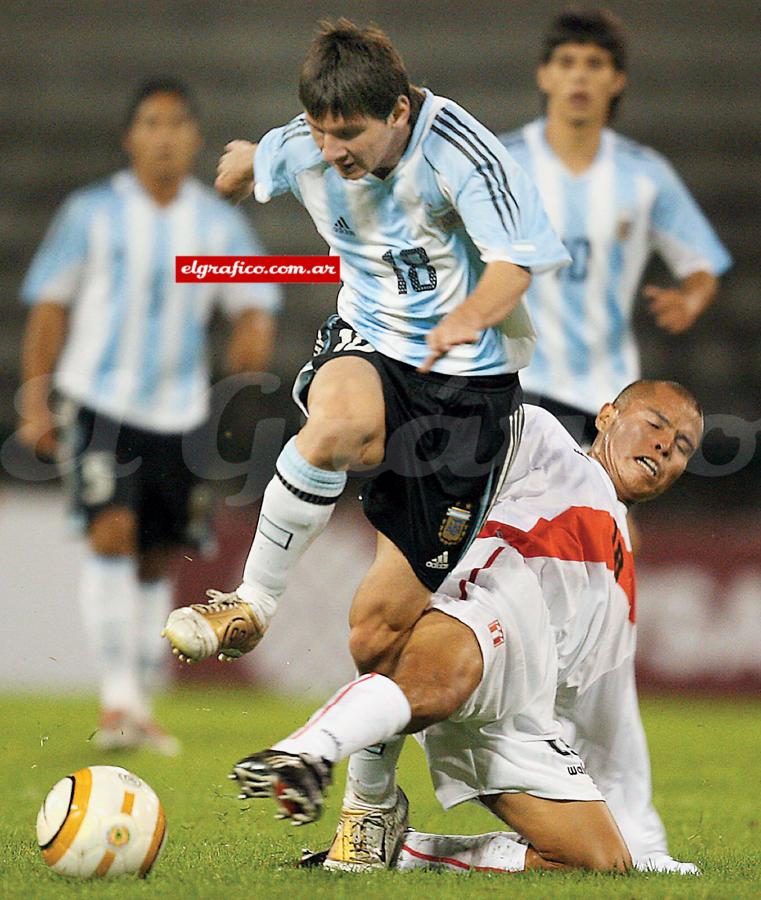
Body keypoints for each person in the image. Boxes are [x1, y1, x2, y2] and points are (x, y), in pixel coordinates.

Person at [163, 16, 568, 843]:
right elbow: (256, 156)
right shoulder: (309, 140)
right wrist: (244, 165)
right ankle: (252, 602)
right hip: (370, 342)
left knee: (375, 631)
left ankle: (373, 803)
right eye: (319, 132)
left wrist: (470, 317)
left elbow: (517, 260)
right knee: (335, 423)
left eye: (349, 135)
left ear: (399, 110)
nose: (333, 151)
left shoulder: (462, 151)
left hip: (467, 390)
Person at [229, 379, 704, 876]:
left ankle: (406, 851)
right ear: (606, 416)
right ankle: (307, 752)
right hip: (486, 606)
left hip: (523, 709)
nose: (664, 445)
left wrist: (645, 843)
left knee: (599, 861)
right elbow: (454, 439)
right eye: (655, 424)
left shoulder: (620, 563)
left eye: (682, 447)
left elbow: (600, 711)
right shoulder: (546, 440)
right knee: (435, 679)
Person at [18, 78, 280, 753]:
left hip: (181, 409)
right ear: (131, 136)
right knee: (112, 531)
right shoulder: (93, 213)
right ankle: (118, 700)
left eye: (175, 124)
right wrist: (35, 395)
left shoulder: (216, 222)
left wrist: (251, 335)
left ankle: (136, 697)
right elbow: (50, 304)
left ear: (194, 137)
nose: (163, 135)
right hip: (100, 401)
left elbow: (254, 300)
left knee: (157, 554)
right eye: (150, 123)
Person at [499, 8, 730, 448]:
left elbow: (701, 262)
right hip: (515, 376)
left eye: (595, 64)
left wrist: (692, 298)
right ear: (544, 76)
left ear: (617, 79)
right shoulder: (504, 163)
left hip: (603, 389)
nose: (580, 78)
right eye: (567, 63)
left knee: (603, 516)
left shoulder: (645, 175)